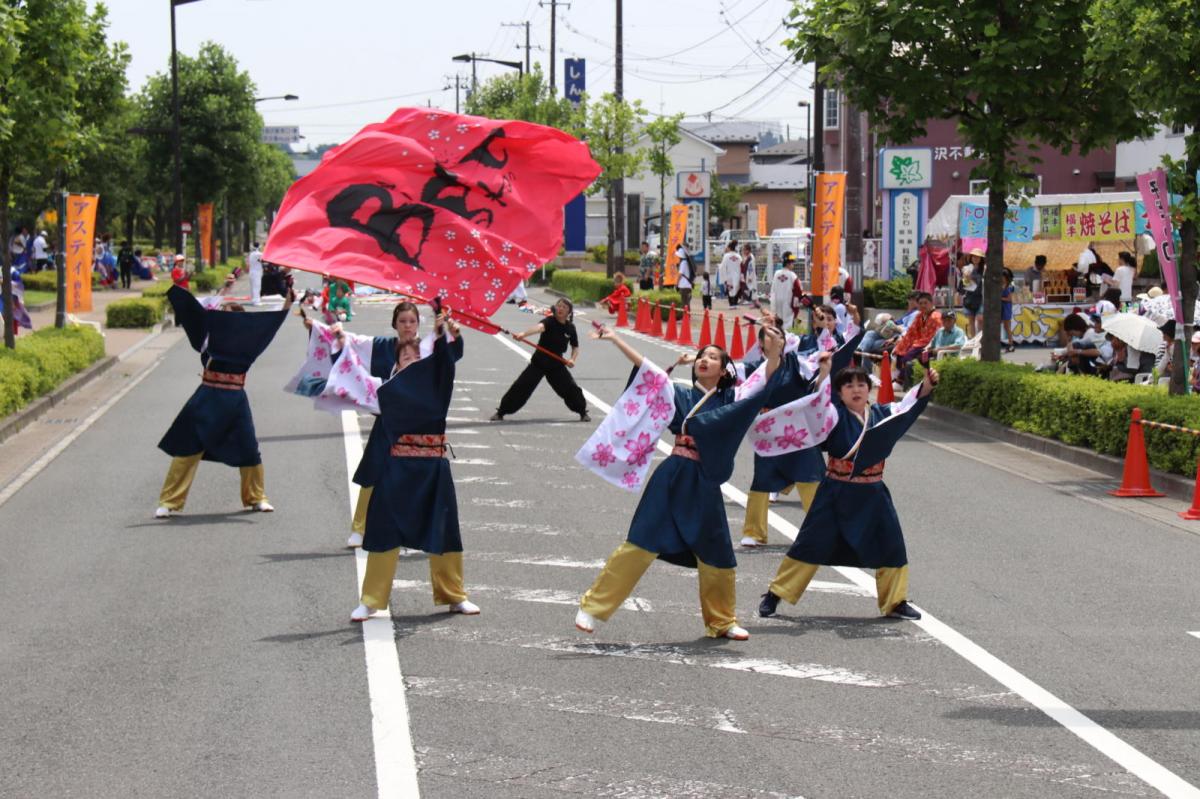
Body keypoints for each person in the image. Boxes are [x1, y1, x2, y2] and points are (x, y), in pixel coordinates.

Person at [575, 323, 786, 640]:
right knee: (640, 543)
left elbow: (765, 384)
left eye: (714, 357)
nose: (705, 360)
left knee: (717, 554)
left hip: (704, 482)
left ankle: (722, 621)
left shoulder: (734, 397)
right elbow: (649, 373)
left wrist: (774, 353)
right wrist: (617, 339)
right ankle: (592, 607)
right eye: (702, 356)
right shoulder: (679, 394)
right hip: (673, 475)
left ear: (725, 370)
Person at [758, 362, 940, 622]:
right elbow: (814, 413)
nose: (856, 390)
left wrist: (927, 385)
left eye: (861, 384)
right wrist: (824, 374)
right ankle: (776, 593)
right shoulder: (833, 416)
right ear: (840, 392)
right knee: (810, 543)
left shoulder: (883, 413)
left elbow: (909, 404)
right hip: (836, 491)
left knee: (893, 546)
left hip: (873, 492)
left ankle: (895, 601)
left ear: (870, 390)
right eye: (848, 385)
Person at [350, 304, 480, 622]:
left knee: (446, 530)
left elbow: (449, 357)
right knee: (383, 530)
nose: (411, 361)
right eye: (405, 359)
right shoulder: (387, 391)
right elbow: (349, 382)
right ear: (397, 364)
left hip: (433, 467)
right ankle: (371, 600)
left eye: (417, 358)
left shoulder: (436, 383)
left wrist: (448, 330)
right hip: (397, 468)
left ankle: (454, 595)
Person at [154, 280, 293, 518]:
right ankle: (169, 501)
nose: (221, 319)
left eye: (227, 315)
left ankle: (257, 497)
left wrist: (289, 299)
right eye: (221, 315)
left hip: (235, 398)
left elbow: (272, 321)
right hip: (207, 396)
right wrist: (223, 291)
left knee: (249, 449)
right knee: (187, 449)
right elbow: (200, 313)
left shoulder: (249, 342)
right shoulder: (209, 339)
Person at [741, 319, 862, 548]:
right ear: (760, 343)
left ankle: (822, 530)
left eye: (779, 333)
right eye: (769, 334)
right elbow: (741, 391)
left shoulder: (799, 364)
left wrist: (825, 372)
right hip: (769, 431)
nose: (776, 337)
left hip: (797, 429)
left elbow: (816, 388)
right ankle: (754, 531)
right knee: (761, 481)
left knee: (811, 478)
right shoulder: (754, 368)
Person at [491, 298, 589, 422]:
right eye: (559, 306)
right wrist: (524, 334)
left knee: (570, 387)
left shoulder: (570, 328)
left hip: (556, 363)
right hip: (539, 361)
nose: (560, 308)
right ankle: (501, 412)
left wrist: (572, 359)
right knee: (521, 386)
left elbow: (575, 347)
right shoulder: (549, 321)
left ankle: (582, 412)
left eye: (564, 307)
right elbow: (539, 327)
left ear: (569, 312)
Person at [892, 292, 941, 385]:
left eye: (925, 303)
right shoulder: (920, 316)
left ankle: (900, 381)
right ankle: (899, 379)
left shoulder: (936, 317)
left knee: (907, 356)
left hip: (930, 345)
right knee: (899, 352)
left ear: (931, 303)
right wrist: (902, 345)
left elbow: (932, 337)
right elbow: (911, 332)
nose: (923, 305)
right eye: (921, 303)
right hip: (919, 342)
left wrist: (914, 345)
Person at [769, 254, 800, 330]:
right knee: (787, 324)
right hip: (788, 303)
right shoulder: (793, 275)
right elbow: (798, 291)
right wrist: (796, 308)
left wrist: (772, 306)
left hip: (777, 302)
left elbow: (773, 290)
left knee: (778, 323)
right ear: (788, 263)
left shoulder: (776, 274)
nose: (793, 265)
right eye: (792, 263)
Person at [959, 248, 984, 337]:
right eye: (974, 257)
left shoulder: (984, 269)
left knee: (980, 319)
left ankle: (980, 340)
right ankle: (974, 341)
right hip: (969, 297)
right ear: (971, 258)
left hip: (981, 297)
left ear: (981, 259)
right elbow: (964, 282)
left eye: (978, 257)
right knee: (971, 321)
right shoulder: (966, 268)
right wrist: (965, 277)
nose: (976, 259)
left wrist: (971, 278)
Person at [719, 241, 743, 306]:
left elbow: (723, 267)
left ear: (729, 248)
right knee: (736, 289)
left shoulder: (726, 256)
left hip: (729, 276)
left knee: (730, 290)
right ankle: (735, 302)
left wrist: (723, 277)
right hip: (737, 276)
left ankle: (731, 303)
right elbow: (741, 266)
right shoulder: (739, 256)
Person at [675, 241, 695, 309]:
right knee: (687, 303)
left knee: (684, 303)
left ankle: (686, 318)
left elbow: (680, 274)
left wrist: (676, 284)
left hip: (684, 286)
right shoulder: (687, 262)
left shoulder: (683, 262)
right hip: (688, 285)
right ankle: (687, 317)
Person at [1000, 270, 1016, 353]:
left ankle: (1011, 343)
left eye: (1003, 277)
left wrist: (1000, 298)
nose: (1002, 278)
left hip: (1006, 308)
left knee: (1007, 327)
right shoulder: (1001, 285)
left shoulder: (1009, 287)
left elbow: (1009, 299)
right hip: (1000, 307)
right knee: (1004, 327)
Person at [247, 241, 263, 306]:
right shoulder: (258, 254)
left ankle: (253, 299)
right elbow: (265, 257)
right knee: (256, 287)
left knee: (253, 287)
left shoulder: (251, 254)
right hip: (256, 273)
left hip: (252, 272)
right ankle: (256, 301)